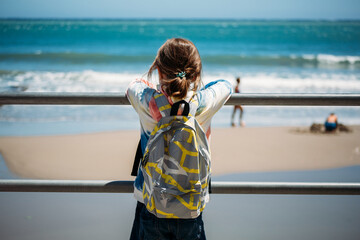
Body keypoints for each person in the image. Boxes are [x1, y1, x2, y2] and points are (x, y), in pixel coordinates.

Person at [126, 38, 232, 240]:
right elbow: (226, 86)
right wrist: (198, 90)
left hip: (150, 202)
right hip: (190, 205)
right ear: (196, 73)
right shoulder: (203, 103)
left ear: (158, 71)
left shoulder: (148, 100)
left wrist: (153, 89)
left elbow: (133, 86)